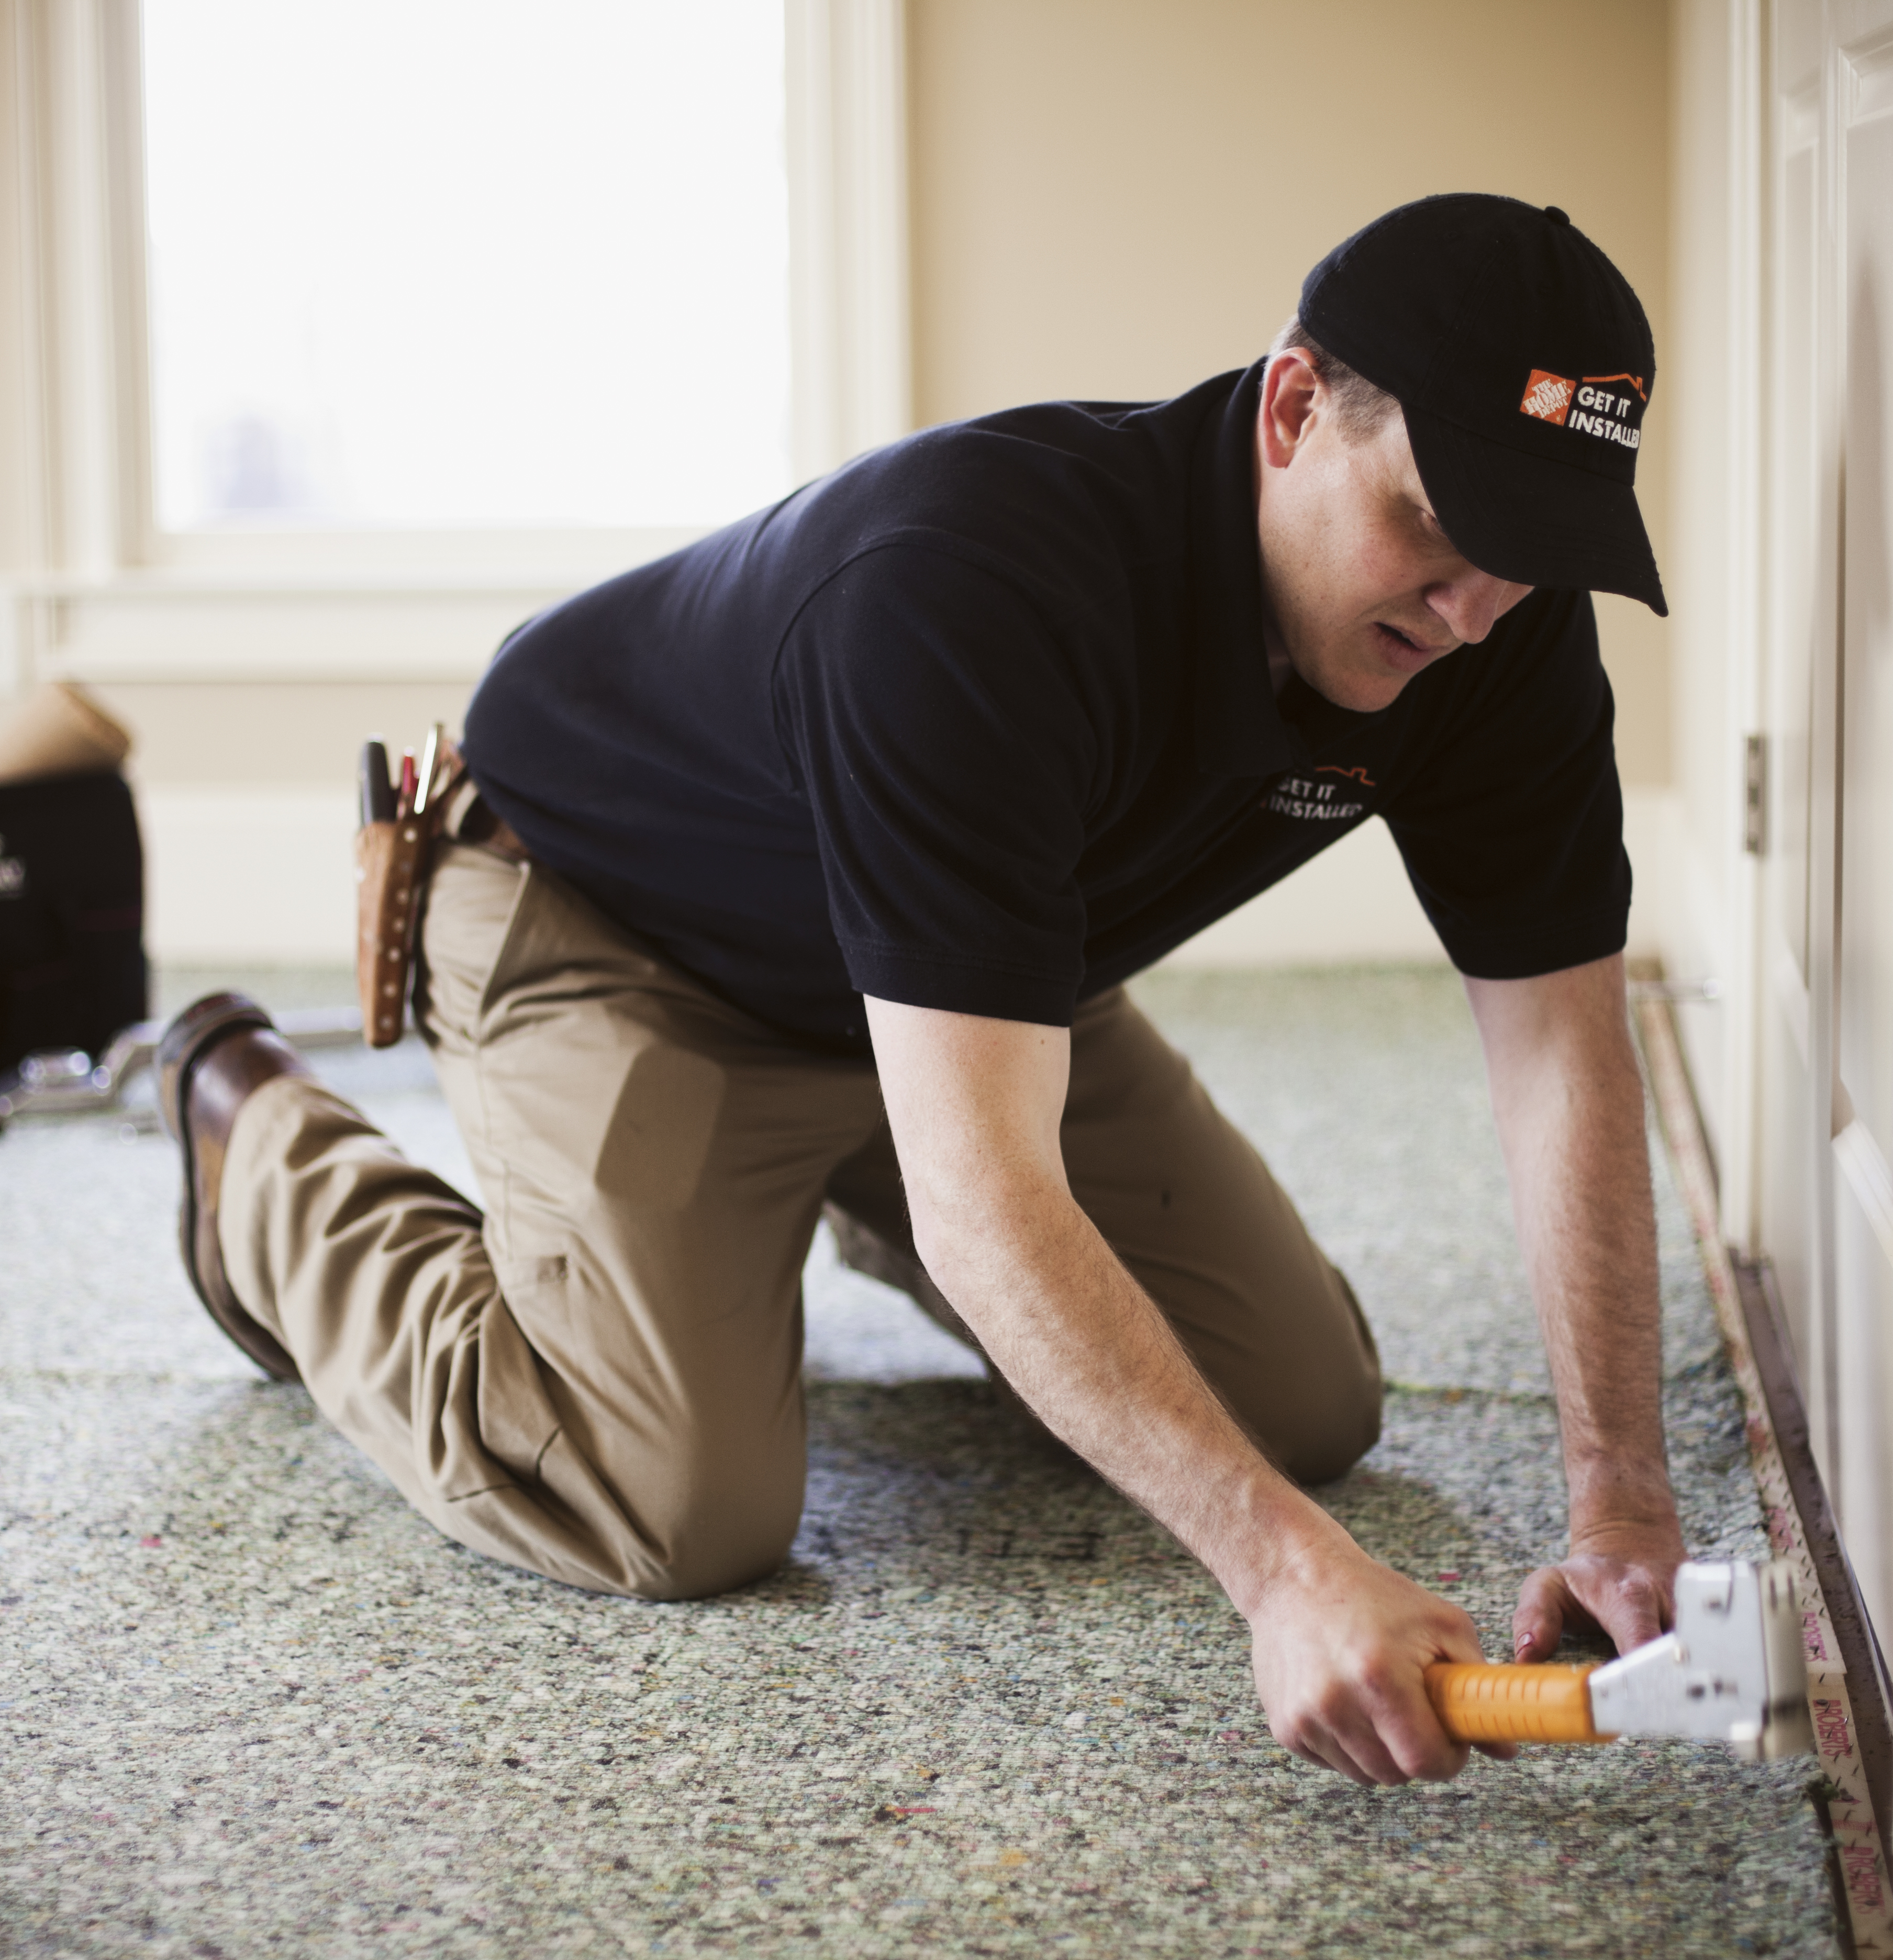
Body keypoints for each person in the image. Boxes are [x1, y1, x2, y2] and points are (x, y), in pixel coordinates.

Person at [154, 194, 1685, 1789]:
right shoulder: (974, 588)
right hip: (621, 931)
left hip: (983, 980)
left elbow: (1565, 1056)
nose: (1472, 609)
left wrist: (1624, 1500)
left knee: (1299, 1408)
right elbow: (992, 1198)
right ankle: (254, 1136)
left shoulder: (1499, 627)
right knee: (674, 1503)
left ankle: (782, 1204)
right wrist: (1287, 1578)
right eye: (1437, 523)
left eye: (1527, 552)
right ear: (1296, 408)